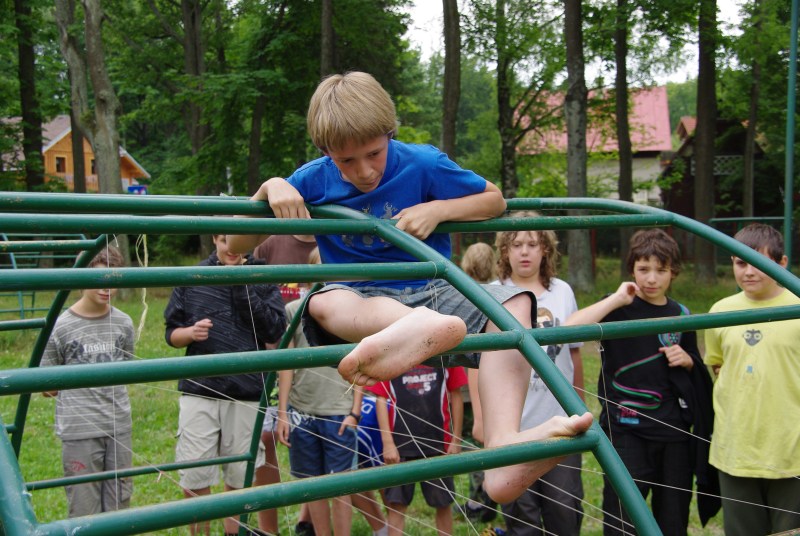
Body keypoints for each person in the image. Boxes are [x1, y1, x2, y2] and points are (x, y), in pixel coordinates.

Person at [227, 71, 592, 506]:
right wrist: (272, 187)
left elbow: (494, 200)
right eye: (346, 161)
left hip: (434, 290)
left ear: (390, 133)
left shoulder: (422, 162)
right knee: (324, 303)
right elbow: (234, 243)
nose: (363, 171)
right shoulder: (312, 178)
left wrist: (439, 209)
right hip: (362, 296)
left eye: (373, 153)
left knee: (514, 305)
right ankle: (418, 328)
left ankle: (504, 446)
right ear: (325, 153)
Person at [566, 228, 715, 536]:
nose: (651, 278)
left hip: (674, 435)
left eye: (660, 270)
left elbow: (694, 368)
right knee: (622, 521)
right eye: (643, 269)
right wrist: (617, 299)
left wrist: (688, 361)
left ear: (673, 272)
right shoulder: (619, 307)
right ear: (631, 268)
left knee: (672, 520)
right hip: (625, 433)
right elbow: (569, 329)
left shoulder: (682, 314)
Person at [164, 234, 287, 536]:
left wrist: (244, 285)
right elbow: (171, 333)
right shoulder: (193, 276)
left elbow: (275, 330)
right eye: (225, 243)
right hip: (199, 390)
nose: (232, 250)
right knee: (195, 476)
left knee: (240, 475)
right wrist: (189, 333)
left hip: (246, 393)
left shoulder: (262, 275)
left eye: (238, 245)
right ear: (215, 240)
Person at [276, 247, 387, 536]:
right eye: (317, 272)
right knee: (311, 487)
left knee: (341, 487)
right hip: (303, 410)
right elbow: (285, 366)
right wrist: (283, 412)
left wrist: (354, 410)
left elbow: (362, 363)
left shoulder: (353, 316)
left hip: (339, 411)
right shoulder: (292, 311)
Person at [490, 216, 584, 535]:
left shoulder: (562, 292)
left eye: (533, 244)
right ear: (504, 251)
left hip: (560, 420)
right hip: (514, 424)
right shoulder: (493, 294)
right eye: (516, 245)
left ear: (545, 249)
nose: (524, 252)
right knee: (520, 513)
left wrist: (578, 402)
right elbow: (479, 361)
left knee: (563, 508)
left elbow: (574, 352)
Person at [704, 223, 800, 536]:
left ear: (782, 263)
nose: (748, 272)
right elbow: (717, 366)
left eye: (759, 263)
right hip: (736, 450)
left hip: (791, 452)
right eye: (740, 262)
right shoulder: (719, 312)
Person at [41, 245, 134, 518]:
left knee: (120, 505)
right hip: (79, 430)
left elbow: (127, 369)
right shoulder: (61, 326)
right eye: (99, 280)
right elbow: (47, 382)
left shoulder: (124, 323)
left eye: (113, 281)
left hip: (119, 425)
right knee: (84, 509)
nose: (107, 289)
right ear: (82, 278)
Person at [252, 232, 318, 535]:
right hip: (271, 357)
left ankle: (307, 518)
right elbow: (251, 281)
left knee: (318, 434)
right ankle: (270, 528)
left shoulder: (327, 238)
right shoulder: (271, 242)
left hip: (312, 363)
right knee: (267, 438)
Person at [369, 364, 467, 535]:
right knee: (396, 506)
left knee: (443, 503)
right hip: (400, 446)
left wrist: (456, 439)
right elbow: (381, 397)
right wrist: (387, 442)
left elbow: (456, 394)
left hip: (438, 444)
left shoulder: (445, 351)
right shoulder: (393, 352)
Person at [458, 242, 499, 524]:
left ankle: (479, 497)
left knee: (474, 442)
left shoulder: (460, 291)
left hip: (466, 382)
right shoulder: (500, 292)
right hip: (493, 382)